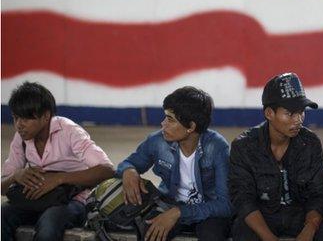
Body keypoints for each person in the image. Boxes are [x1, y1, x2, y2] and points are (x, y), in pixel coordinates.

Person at [229, 72, 323, 241]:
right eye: (290, 114)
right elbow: (243, 199)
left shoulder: (310, 143)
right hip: (262, 218)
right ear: (269, 113)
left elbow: (319, 193)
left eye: (301, 112)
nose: (298, 120)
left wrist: (310, 229)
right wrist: (269, 238)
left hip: (301, 215)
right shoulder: (244, 146)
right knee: (242, 233)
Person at [1, 81, 115, 241]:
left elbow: (107, 170)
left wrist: (59, 178)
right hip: (36, 200)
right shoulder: (20, 138)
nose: (19, 125)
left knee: (49, 225)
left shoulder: (69, 131)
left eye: (26, 118)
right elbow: (2, 187)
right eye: (15, 118)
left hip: (74, 201)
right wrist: (15, 176)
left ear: (46, 116)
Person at [117, 86, 231, 241]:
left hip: (207, 210)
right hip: (169, 204)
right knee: (150, 232)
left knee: (211, 234)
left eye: (170, 119)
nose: (163, 124)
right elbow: (129, 163)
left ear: (191, 127)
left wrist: (179, 212)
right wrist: (128, 170)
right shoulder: (157, 141)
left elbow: (225, 205)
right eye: (165, 117)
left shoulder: (217, 147)